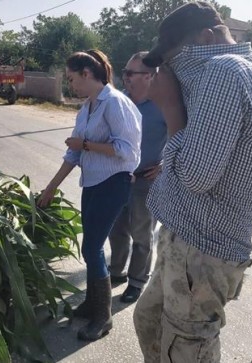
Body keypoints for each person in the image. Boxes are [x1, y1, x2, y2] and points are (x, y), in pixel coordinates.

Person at [133, 2, 252, 362]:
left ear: (208, 37)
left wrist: (170, 108)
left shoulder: (223, 71)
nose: (171, 73)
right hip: (192, 240)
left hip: (201, 250)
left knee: (186, 348)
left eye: (177, 62)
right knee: (149, 320)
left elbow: (195, 177)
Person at [37, 50, 141, 341]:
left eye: (72, 78)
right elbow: (73, 152)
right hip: (93, 182)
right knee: (90, 245)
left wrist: (86, 144)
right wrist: (51, 186)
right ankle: (92, 303)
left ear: (86, 73)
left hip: (114, 182)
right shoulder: (87, 107)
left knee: (92, 247)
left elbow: (127, 151)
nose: (71, 85)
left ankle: (103, 316)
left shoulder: (115, 103)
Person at [108, 51, 167, 304]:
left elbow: (181, 138)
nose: (126, 77)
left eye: (131, 73)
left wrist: (164, 164)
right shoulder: (119, 102)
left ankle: (136, 281)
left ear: (149, 76)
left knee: (142, 235)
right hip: (118, 177)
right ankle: (117, 271)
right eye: (125, 72)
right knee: (116, 229)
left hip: (147, 180)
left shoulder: (164, 105)